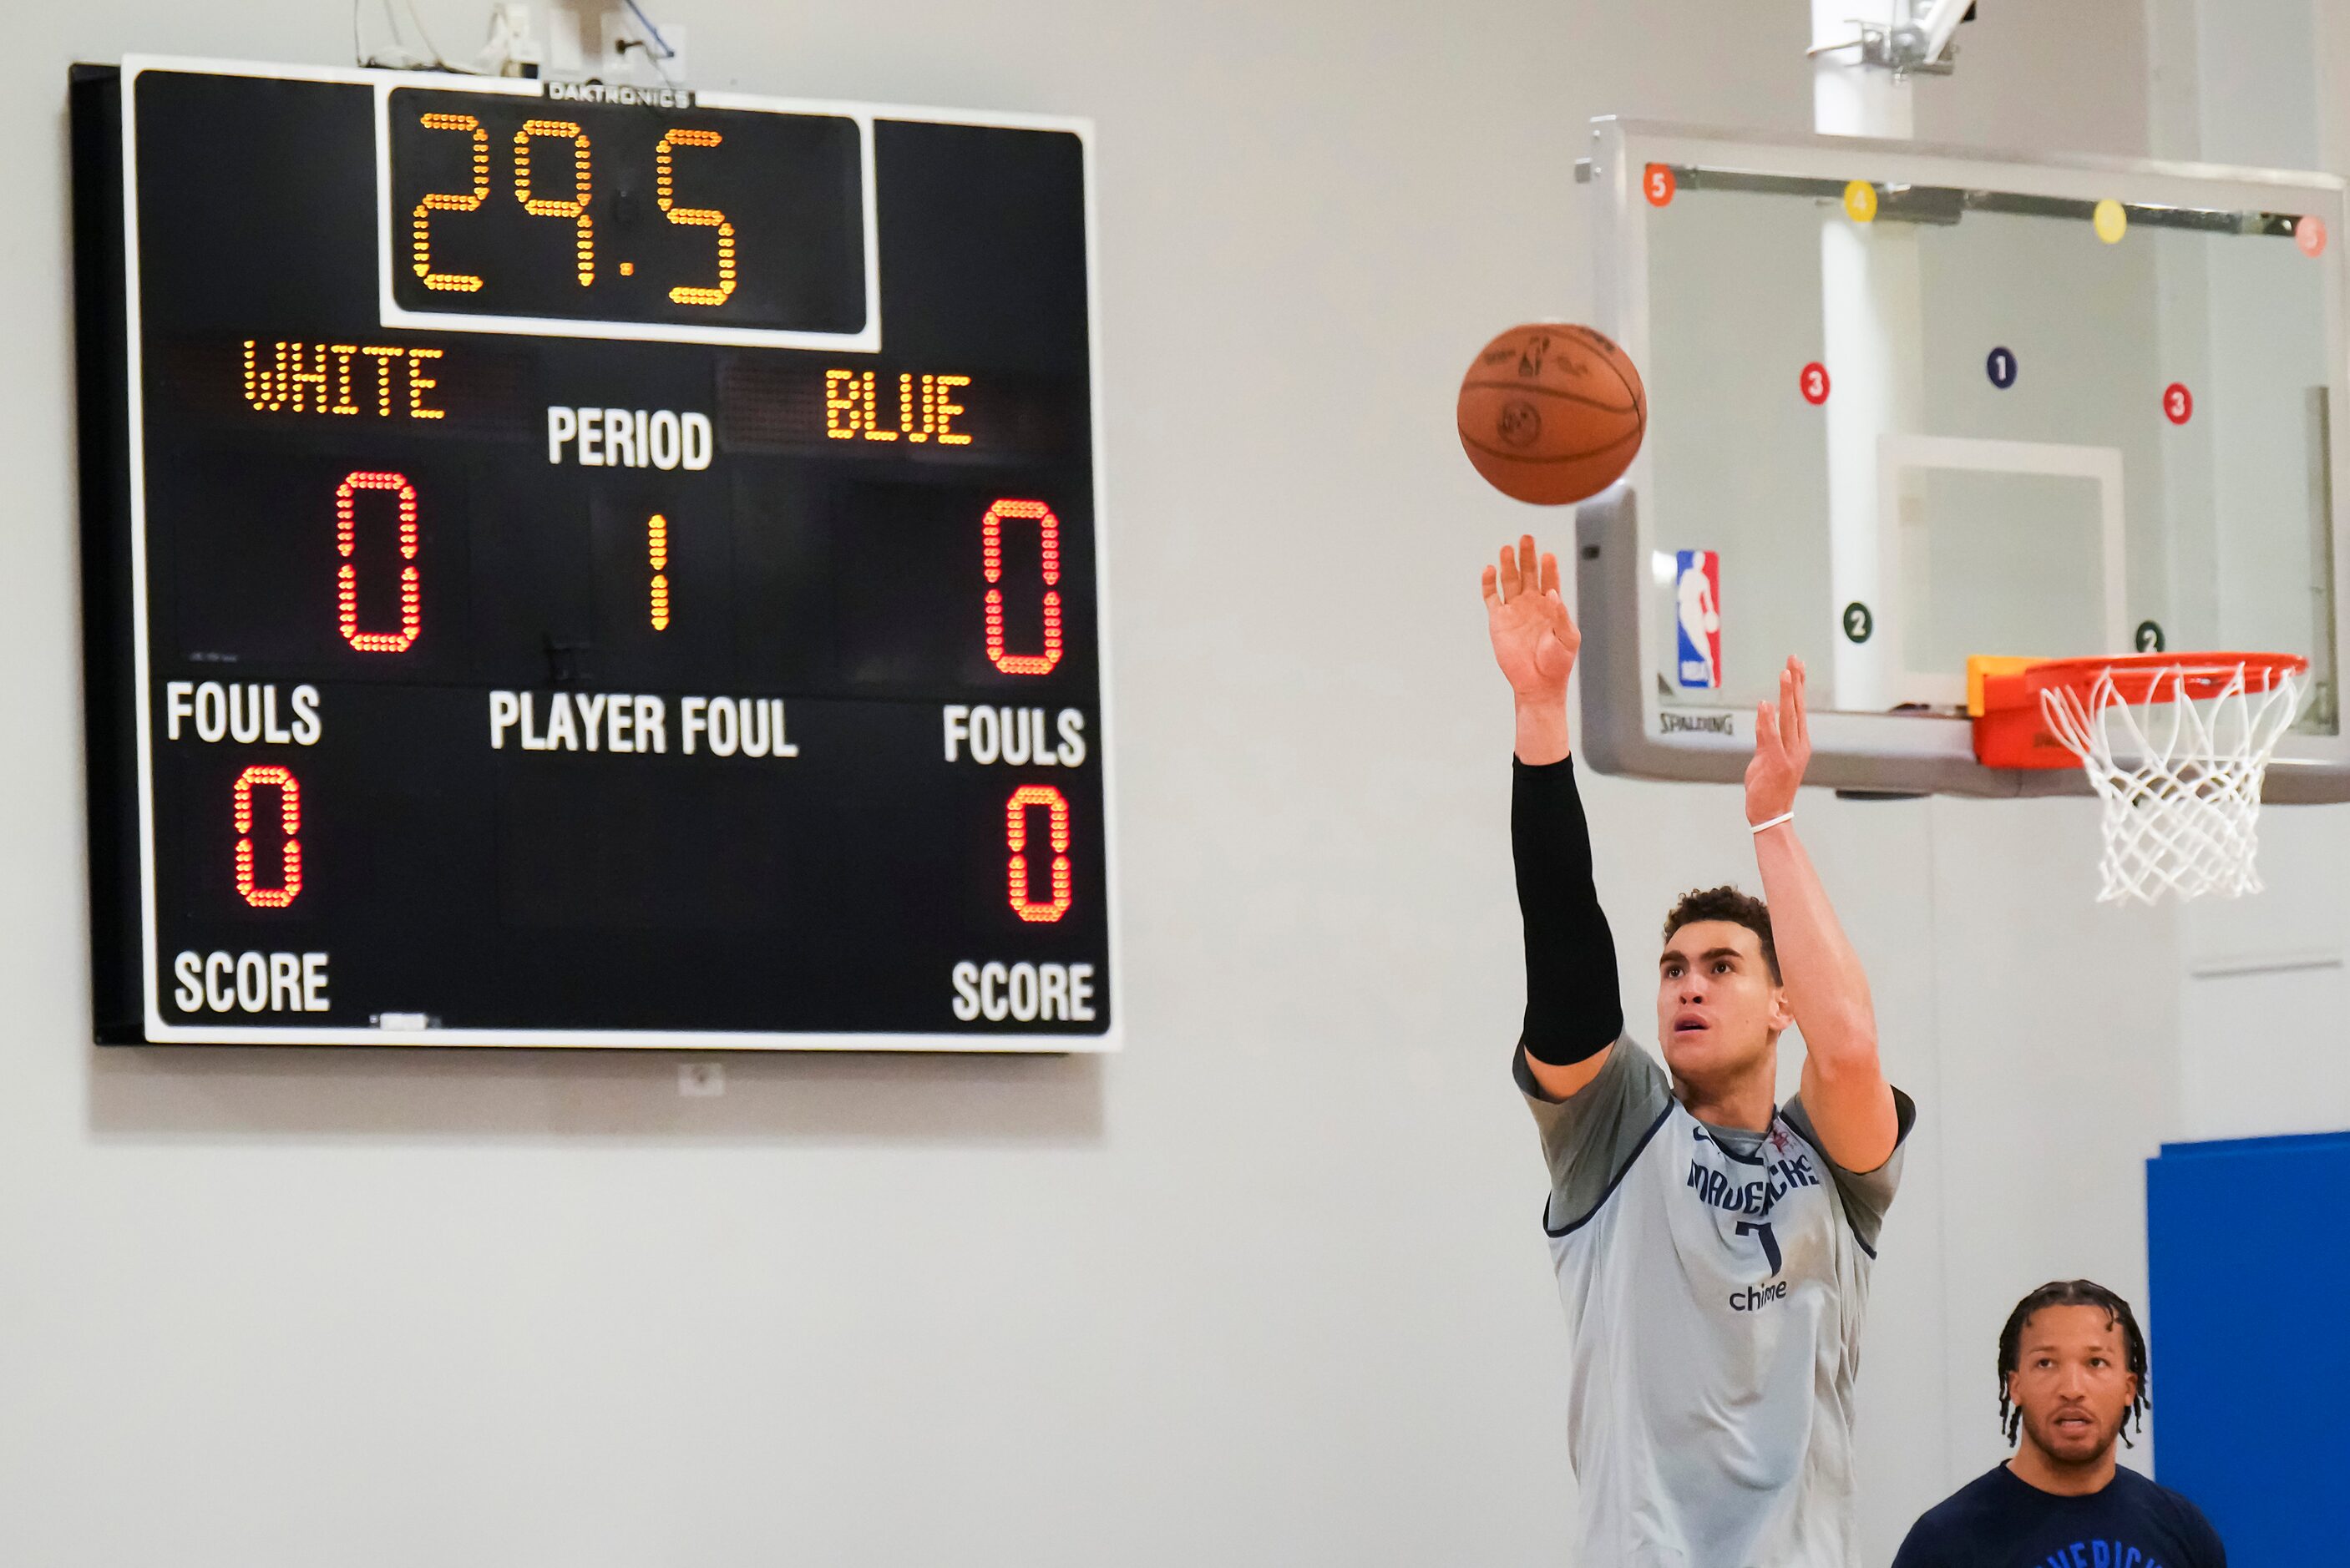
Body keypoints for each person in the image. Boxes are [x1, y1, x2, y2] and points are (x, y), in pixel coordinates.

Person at [1484, 534, 1915, 1566]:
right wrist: (1542, 722)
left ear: (1781, 1006)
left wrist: (1772, 817)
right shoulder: (1619, 1131)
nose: (1687, 983)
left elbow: (1849, 1043)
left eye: (1722, 966)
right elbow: (1566, 947)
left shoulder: (1837, 1169)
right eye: (1674, 967)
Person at [1892, 1279, 2227, 1567]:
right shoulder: (1944, 1543)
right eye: (2046, 1363)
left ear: (2129, 1387)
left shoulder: (2184, 1532)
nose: (2072, 1389)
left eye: (2096, 1362)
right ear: (2016, 1386)